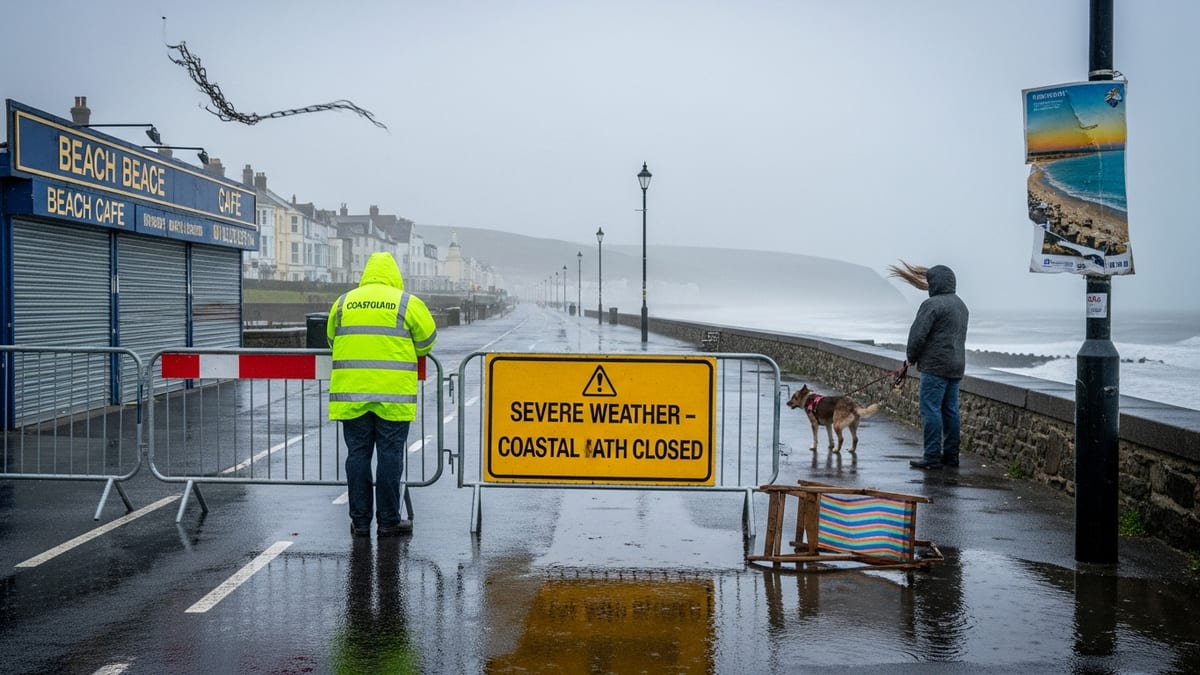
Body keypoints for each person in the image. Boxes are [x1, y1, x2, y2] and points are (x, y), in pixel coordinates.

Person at [327, 251, 437, 536]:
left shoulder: (344, 302)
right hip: (393, 396)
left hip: (352, 395)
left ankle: (360, 522)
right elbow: (427, 342)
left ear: (366, 273)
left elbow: (331, 339)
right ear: (394, 275)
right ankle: (388, 520)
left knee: (357, 455)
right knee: (390, 455)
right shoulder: (406, 302)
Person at [891, 262, 969, 470]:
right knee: (950, 410)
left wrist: (911, 357)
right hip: (956, 365)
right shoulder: (961, 305)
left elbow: (918, 334)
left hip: (935, 367)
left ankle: (932, 456)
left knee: (931, 409)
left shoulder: (932, 305)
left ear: (934, 283)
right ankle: (951, 456)